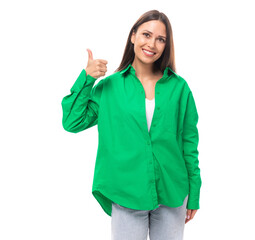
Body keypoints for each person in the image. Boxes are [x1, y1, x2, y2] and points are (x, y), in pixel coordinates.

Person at [61, 9, 201, 240]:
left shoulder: (179, 88)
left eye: (160, 39)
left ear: (166, 45)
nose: (152, 44)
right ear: (133, 36)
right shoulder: (110, 87)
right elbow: (72, 122)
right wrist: (86, 78)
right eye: (146, 35)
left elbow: (189, 143)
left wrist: (194, 193)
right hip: (126, 192)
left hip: (172, 191)